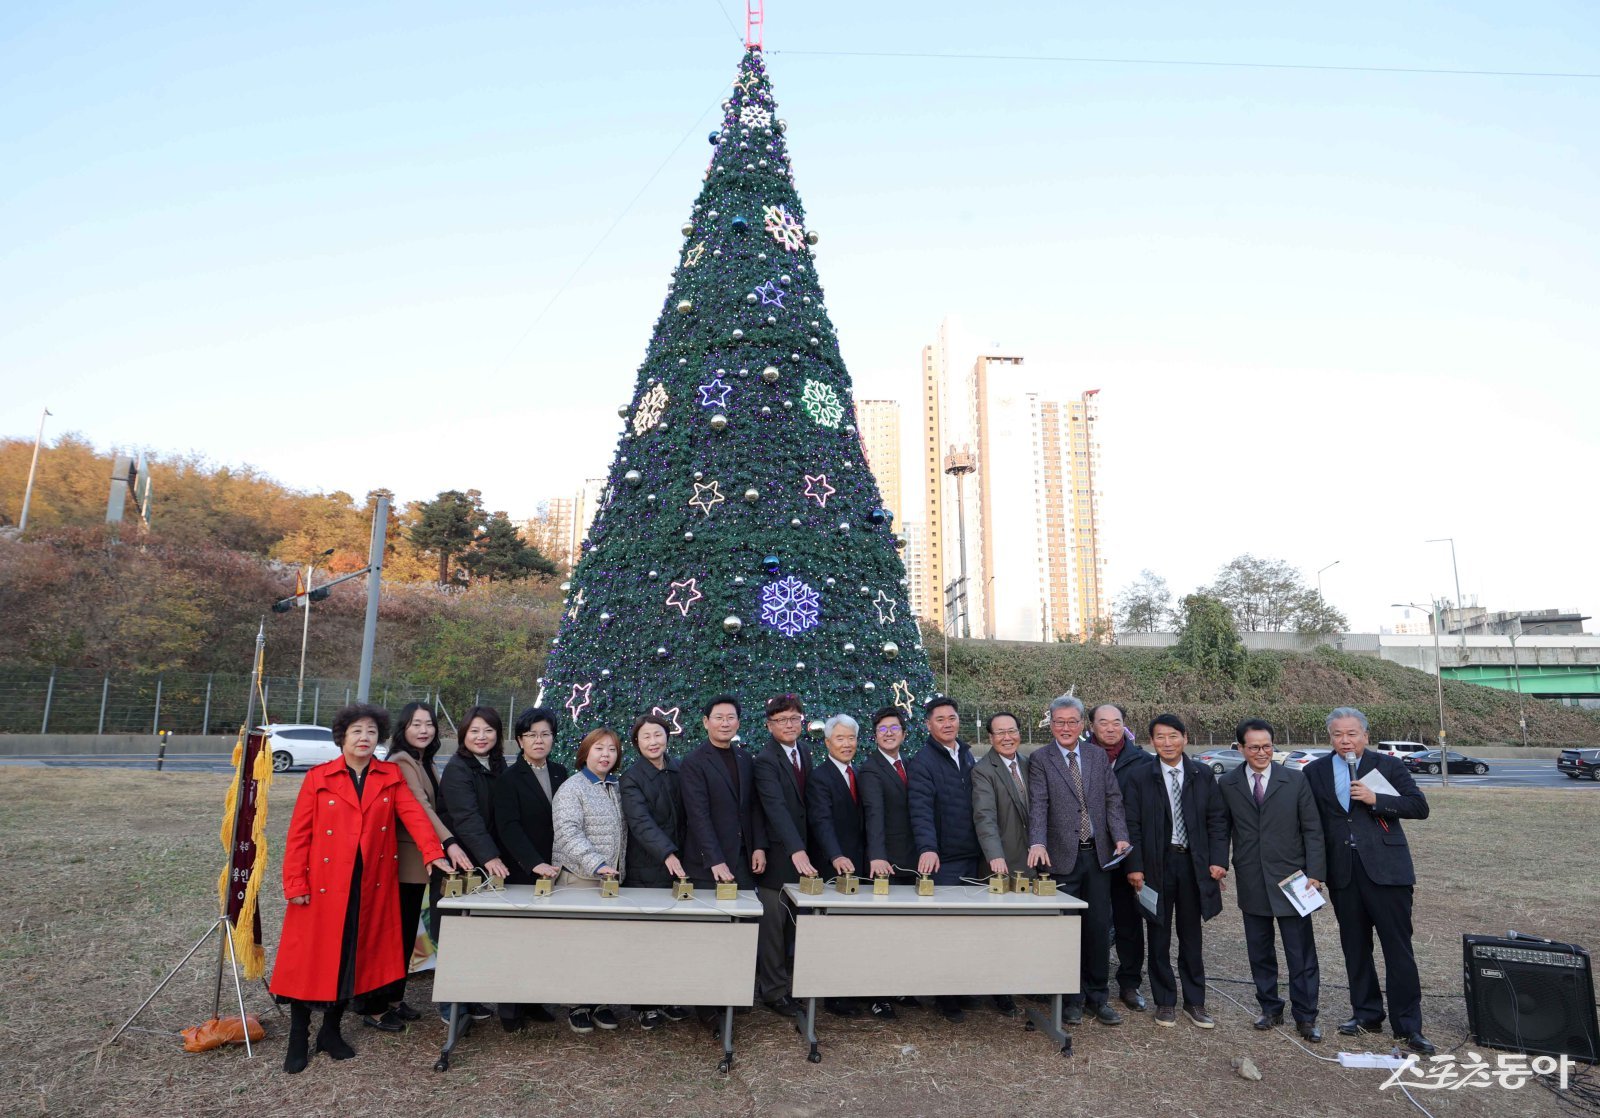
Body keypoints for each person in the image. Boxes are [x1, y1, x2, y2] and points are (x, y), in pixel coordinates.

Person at [270, 703, 450, 1074]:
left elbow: (414, 816)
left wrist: (433, 852)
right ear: (342, 738)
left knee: (349, 959)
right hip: (322, 888)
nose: (364, 737)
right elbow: (299, 835)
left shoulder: (389, 776)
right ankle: (298, 1036)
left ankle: (331, 1032)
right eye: (357, 731)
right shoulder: (320, 777)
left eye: (371, 731)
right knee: (311, 961)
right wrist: (295, 884)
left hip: (369, 886)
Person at [1305, 707, 1434, 1055]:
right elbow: (1312, 823)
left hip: (1388, 871)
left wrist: (1378, 800)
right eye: (1337, 734)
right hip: (1343, 873)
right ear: (1329, 737)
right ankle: (1366, 1014)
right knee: (1355, 948)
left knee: (1398, 949)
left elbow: (1418, 806)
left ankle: (1408, 1026)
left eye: (1351, 734)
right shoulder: (1315, 771)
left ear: (1364, 735)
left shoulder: (1388, 766)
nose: (1344, 740)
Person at [359, 702, 473, 1033]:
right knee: (393, 934)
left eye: (429, 724)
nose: (424, 730)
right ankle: (374, 1006)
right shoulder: (401, 761)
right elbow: (420, 808)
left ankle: (393, 999)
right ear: (403, 729)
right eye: (415, 724)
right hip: (403, 860)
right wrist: (449, 841)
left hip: (419, 860)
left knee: (406, 932)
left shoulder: (424, 761)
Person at [1218, 717, 1326, 1042]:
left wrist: (1316, 874)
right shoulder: (1228, 784)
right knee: (1259, 951)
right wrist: (1218, 865)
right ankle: (1270, 1008)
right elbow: (1222, 830)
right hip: (1252, 879)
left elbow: (1313, 830)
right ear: (1240, 749)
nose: (1261, 752)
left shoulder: (1295, 780)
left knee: (1300, 953)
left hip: (1293, 880)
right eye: (1254, 747)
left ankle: (1306, 1017)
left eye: (1267, 746)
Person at [1027, 694, 1132, 1026]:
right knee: (1067, 930)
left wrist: (1120, 835)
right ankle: (1071, 998)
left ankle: (1098, 997)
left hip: (1098, 856)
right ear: (1051, 724)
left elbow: (1113, 799)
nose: (1066, 728)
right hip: (1061, 858)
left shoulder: (1097, 756)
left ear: (1083, 725)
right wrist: (1038, 842)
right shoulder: (1041, 759)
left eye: (1073, 721)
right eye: (1060, 722)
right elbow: (1039, 804)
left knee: (1099, 928)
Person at [1123, 714, 1229, 1029]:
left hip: (1193, 864)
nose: (1167, 743)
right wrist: (1135, 866)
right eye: (1160, 737)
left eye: (1173, 736)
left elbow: (1217, 820)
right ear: (1151, 741)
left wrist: (1218, 859)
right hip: (1156, 865)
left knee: (1191, 935)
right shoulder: (1140, 776)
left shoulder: (1203, 774)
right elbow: (1133, 825)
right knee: (1158, 934)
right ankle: (1165, 1001)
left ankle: (1195, 1002)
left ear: (1184, 737)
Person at [679, 695, 768, 1025]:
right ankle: (707, 1007)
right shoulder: (693, 762)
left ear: (738, 722)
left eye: (731, 717)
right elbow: (697, 815)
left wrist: (759, 846)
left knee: (742, 932)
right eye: (718, 717)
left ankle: (736, 994)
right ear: (705, 722)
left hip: (743, 862)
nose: (725, 722)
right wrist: (714, 859)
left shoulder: (745, 758)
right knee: (710, 935)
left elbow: (753, 808)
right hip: (708, 865)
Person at [491, 706, 569, 1030]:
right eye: (531, 734)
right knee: (517, 938)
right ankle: (510, 1011)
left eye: (545, 734)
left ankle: (535, 1001)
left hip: (555, 869)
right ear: (520, 739)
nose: (539, 740)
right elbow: (508, 827)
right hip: (523, 870)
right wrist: (533, 862)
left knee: (543, 938)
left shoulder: (560, 773)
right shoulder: (509, 779)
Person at [436, 705, 511, 1024]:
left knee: (478, 930)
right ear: (464, 734)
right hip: (463, 861)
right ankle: (450, 1004)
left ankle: (471, 997)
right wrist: (490, 856)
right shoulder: (458, 768)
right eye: (475, 731)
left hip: (486, 858)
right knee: (456, 930)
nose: (482, 737)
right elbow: (465, 818)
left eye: (489, 731)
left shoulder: (496, 765)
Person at [908, 695, 980, 1023]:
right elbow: (920, 809)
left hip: (972, 855)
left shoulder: (966, 754)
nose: (947, 723)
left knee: (969, 927)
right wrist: (928, 848)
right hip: (945, 859)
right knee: (946, 928)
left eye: (952, 717)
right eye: (940, 719)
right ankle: (945, 996)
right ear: (928, 724)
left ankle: (964, 986)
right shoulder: (923, 761)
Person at [551, 726, 628, 1034]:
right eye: (599, 749)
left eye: (611, 749)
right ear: (585, 753)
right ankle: (577, 1004)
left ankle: (600, 1000)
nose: (605, 755)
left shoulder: (616, 787)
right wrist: (596, 864)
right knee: (579, 943)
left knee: (606, 944)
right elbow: (568, 832)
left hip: (610, 882)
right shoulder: (572, 788)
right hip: (579, 877)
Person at [620, 713, 691, 1031]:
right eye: (646, 736)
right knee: (647, 937)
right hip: (647, 867)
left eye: (658, 735)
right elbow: (641, 822)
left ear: (667, 737)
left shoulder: (680, 770)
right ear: (637, 743)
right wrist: (667, 853)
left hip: (682, 865)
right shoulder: (632, 778)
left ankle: (672, 995)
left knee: (675, 935)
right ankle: (646, 1004)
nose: (653, 741)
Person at [1086, 702, 1157, 1012]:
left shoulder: (1140, 761)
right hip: (1091, 852)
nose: (1110, 728)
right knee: (1094, 921)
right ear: (1092, 726)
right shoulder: (1080, 756)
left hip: (1128, 853)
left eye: (1116, 722)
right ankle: (1088, 982)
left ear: (1124, 725)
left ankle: (1129, 983)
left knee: (1129, 922)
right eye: (1103, 722)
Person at [752, 693, 818, 1018]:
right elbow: (775, 809)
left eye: (794, 718)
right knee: (773, 929)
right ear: (769, 725)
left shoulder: (804, 752)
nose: (788, 725)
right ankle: (773, 992)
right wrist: (796, 850)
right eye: (781, 720)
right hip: (779, 857)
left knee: (795, 925)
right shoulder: (765, 760)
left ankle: (792, 987)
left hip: (803, 856)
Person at [857, 706, 917, 1021]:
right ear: (875, 735)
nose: (890, 733)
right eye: (883, 729)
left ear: (904, 734)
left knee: (903, 926)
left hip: (911, 860)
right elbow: (873, 814)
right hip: (886, 862)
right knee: (881, 928)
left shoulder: (908, 765)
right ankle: (877, 995)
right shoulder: (870, 769)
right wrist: (877, 856)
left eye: (895, 728)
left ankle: (898, 985)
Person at [970, 709, 1030, 1017]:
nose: (1007, 737)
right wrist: (995, 855)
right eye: (1000, 733)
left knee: (1027, 928)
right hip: (1002, 862)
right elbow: (985, 817)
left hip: (1032, 862)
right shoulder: (984, 770)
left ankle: (1029, 983)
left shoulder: (1030, 764)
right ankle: (1000, 990)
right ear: (991, 738)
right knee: (1000, 930)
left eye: (1012, 731)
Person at [807, 713, 867, 1018]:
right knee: (833, 932)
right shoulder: (821, 777)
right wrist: (835, 856)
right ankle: (832, 995)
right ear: (828, 742)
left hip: (860, 864)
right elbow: (822, 821)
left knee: (855, 931)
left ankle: (851, 988)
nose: (847, 744)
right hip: (834, 866)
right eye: (840, 739)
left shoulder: (858, 773)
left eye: (851, 738)